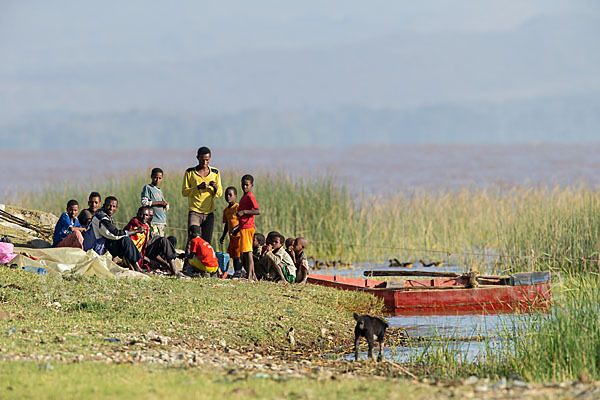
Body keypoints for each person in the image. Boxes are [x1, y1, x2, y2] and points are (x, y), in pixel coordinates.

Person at [83, 196, 145, 272]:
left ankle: (131, 265)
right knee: (125, 240)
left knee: (123, 241)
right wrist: (136, 231)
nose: (111, 208)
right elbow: (114, 234)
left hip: (102, 246)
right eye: (109, 205)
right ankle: (136, 267)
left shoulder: (106, 216)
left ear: (116, 208)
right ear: (104, 205)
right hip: (94, 249)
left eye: (114, 206)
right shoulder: (101, 217)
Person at [182, 146, 222, 247]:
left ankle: (204, 262)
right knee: (193, 240)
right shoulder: (190, 172)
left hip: (209, 213)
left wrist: (216, 187)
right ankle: (188, 261)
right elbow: (184, 192)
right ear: (197, 158)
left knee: (206, 242)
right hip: (195, 212)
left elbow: (220, 193)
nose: (204, 163)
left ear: (210, 159)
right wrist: (198, 188)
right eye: (202, 160)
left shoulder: (215, 172)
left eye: (207, 160)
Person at [144, 208, 185, 278]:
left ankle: (167, 266)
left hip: (155, 250)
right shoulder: (140, 226)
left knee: (172, 239)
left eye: (151, 215)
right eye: (147, 215)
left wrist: (177, 255)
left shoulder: (152, 226)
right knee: (163, 240)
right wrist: (165, 263)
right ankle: (173, 269)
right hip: (148, 252)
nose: (149, 217)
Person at [237, 174, 260, 281]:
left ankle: (250, 276)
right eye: (243, 185)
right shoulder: (244, 196)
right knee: (246, 251)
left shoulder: (250, 196)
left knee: (248, 252)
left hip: (248, 227)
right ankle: (253, 275)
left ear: (251, 185)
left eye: (247, 185)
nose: (244, 187)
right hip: (244, 226)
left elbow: (257, 211)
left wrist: (244, 212)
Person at [219, 186, 242, 277]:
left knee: (238, 255)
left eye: (230, 195)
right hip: (231, 236)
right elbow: (227, 224)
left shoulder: (238, 208)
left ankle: (238, 272)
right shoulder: (226, 210)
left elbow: (243, 222)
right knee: (233, 255)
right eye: (226, 195)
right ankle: (236, 272)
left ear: (235, 196)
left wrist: (237, 229)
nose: (228, 197)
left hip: (239, 236)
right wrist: (223, 236)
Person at [141, 168, 169, 237]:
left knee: (161, 241)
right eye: (155, 177)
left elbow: (164, 205)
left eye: (160, 178)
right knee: (154, 241)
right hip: (153, 221)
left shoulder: (159, 191)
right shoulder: (148, 188)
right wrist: (158, 203)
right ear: (151, 177)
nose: (157, 180)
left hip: (161, 221)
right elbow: (144, 202)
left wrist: (166, 205)